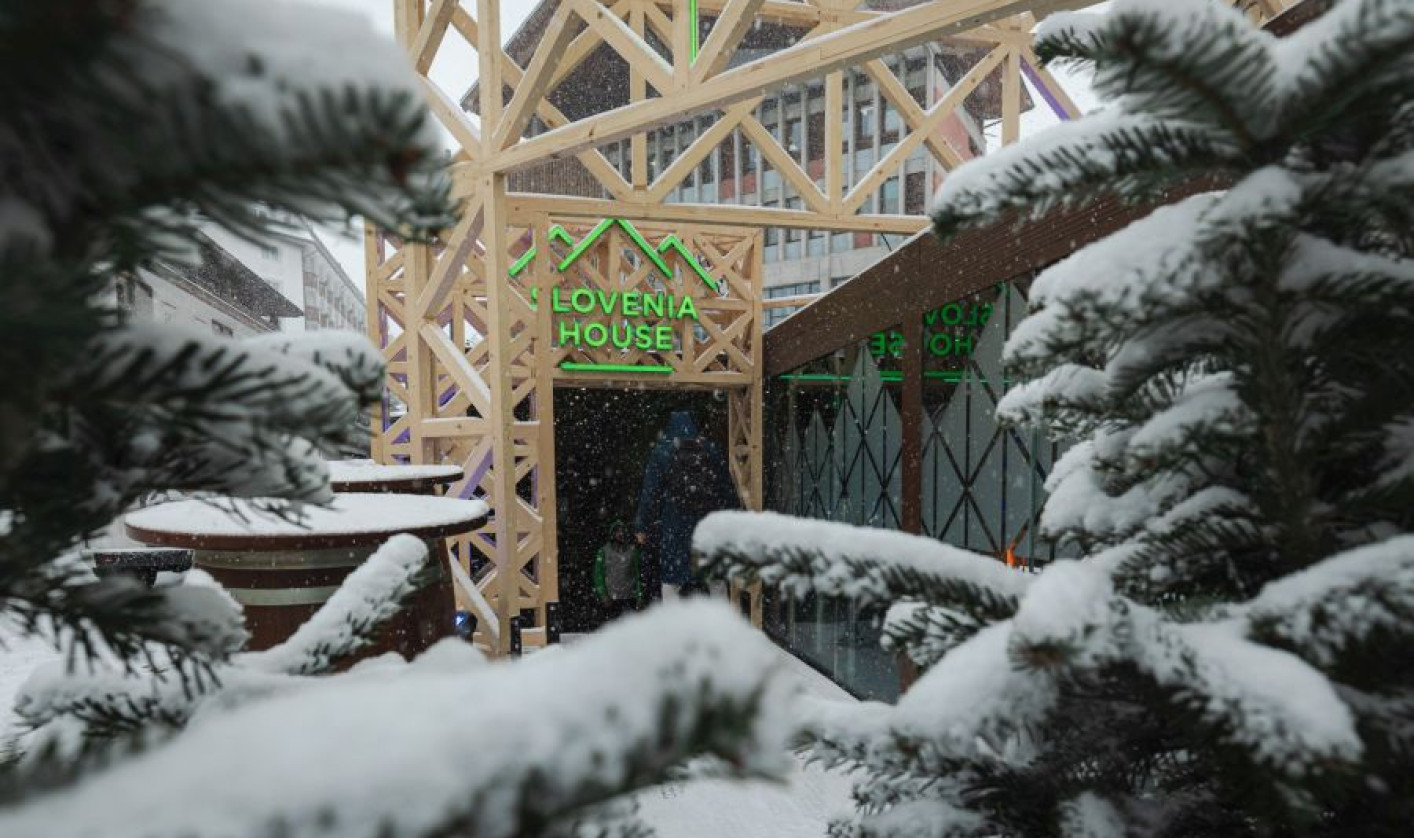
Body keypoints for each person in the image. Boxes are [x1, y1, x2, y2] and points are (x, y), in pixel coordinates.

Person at [634, 410, 739, 600]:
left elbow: (649, 493)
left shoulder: (662, 452)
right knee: (715, 578)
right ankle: (722, 625)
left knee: (671, 580)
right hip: (707, 525)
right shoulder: (711, 449)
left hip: (675, 524)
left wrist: (642, 526)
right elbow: (726, 488)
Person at [592, 520, 642, 621]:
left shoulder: (633, 552)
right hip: (611, 600)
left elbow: (638, 575)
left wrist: (639, 596)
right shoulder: (603, 552)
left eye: (622, 531)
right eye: (618, 532)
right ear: (612, 534)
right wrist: (603, 596)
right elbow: (598, 576)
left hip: (629, 598)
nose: (621, 534)